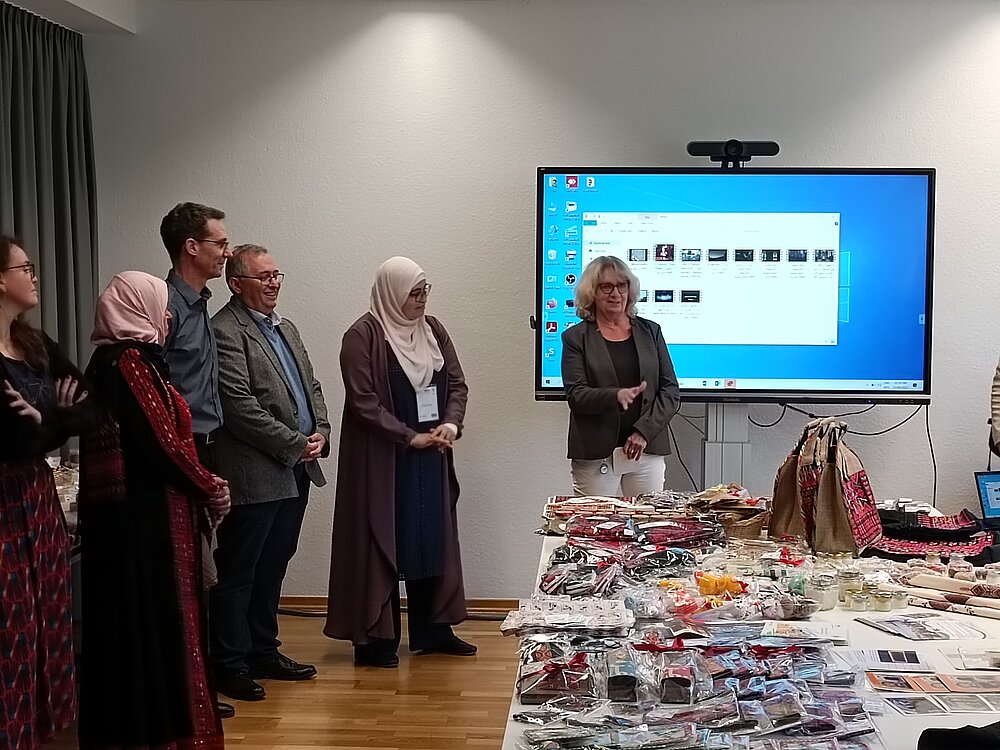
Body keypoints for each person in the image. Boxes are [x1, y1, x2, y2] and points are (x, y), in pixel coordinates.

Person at [77, 271, 230, 750]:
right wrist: (210, 484)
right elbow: (159, 444)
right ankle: (163, 733)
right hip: (146, 524)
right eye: (159, 305)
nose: (166, 316)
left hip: (130, 521)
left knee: (137, 629)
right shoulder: (129, 363)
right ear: (139, 309)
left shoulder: (115, 361)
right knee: (156, 626)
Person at [324, 256, 475, 668]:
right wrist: (410, 436)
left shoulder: (433, 331)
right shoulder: (362, 337)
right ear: (392, 293)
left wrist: (450, 425)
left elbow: (457, 383)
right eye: (414, 292)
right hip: (385, 460)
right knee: (382, 539)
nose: (423, 300)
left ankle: (433, 631)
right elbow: (364, 403)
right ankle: (375, 640)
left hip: (430, 457)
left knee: (430, 537)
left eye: (426, 290)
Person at [209, 244, 330, 701]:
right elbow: (239, 408)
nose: (275, 282)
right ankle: (229, 662)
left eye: (277, 274)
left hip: (296, 471)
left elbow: (311, 386)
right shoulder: (224, 330)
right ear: (236, 284)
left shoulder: (287, 327)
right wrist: (296, 443)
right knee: (239, 571)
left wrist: (320, 432)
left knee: (273, 566)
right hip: (255, 473)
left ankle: (263, 649)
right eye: (264, 277)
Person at [0, 235, 92, 750]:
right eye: (25, 267)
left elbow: (90, 405)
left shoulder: (35, 344)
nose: (34, 275)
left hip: (36, 495)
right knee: (10, 624)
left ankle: (35, 730)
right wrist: (52, 421)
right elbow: (15, 435)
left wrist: (46, 419)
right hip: (5, 499)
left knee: (44, 616)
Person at [158, 201, 235, 717]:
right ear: (192, 246)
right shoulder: (161, 306)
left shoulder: (200, 304)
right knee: (186, 575)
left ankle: (202, 685)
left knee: (205, 572)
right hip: (176, 453)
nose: (226, 252)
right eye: (220, 243)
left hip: (207, 445)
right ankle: (189, 690)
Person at [561, 255, 680, 496]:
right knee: (596, 527)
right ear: (592, 292)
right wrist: (615, 395)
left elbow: (670, 391)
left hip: (646, 449)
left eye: (622, 285)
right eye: (606, 286)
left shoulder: (651, 332)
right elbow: (576, 395)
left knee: (649, 525)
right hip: (597, 453)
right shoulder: (575, 338)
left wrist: (643, 432)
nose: (615, 293)